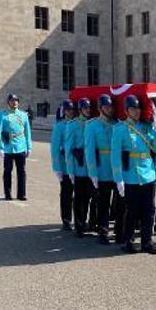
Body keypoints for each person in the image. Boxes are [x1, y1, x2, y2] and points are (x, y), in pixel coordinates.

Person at [111, 95, 156, 255]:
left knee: (149, 210)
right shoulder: (120, 129)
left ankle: (147, 242)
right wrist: (118, 179)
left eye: (138, 108)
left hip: (148, 173)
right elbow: (115, 156)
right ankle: (128, 241)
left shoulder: (146, 127)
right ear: (127, 110)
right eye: (133, 108)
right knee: (132, 211)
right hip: (131, 176)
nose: (136, 111)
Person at [86, 95, 125, 245]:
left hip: (118, 169)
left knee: (121, 202)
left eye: (111, 107)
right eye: (107, 107)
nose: (110, 109)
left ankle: (119, 230)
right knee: (103, 202)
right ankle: (102, 231)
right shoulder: (92, 125)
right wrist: (93, 173)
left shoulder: (117, 124)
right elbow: (89, 151)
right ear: (100, 108)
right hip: (102, 170)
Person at [66, 98, 95, 237]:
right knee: (79, 199)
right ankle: (79, 226)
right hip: (79, 166)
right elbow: (69, 148)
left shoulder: (93, 123)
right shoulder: (73, 125)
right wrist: (70, 170)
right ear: (80, 110)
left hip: (92, 167)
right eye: (85, 108)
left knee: (89, 197)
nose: (88, 110)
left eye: (89, 108)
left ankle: (87, 222)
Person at [0, 93, 32, 200]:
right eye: (12, 100)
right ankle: (8, 193)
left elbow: (27, 132)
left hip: (20, 146)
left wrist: (29, 147)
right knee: (7, 171)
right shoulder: (2, 115)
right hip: (8, 147)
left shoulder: (23, 115)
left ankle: (22, 194)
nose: (14, 102)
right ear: (8, 102)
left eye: (16, 100)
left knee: (21, 172)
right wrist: (0, 147)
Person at [51, 100, 75, 230]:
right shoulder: (59, 126)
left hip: (78, 166)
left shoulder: (77, 124)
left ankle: (78, 219)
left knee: (79, 195)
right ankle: (66, 219)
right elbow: (55, 149)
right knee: (66, 194)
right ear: (64, 111)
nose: (71, 112)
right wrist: (57, 168)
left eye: (72, 109)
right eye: (68, 110)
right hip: (65, 167)